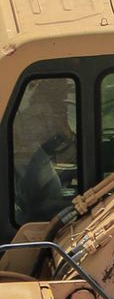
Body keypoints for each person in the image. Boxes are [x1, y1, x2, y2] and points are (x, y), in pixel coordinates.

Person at [10, 78, 77, 226]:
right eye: (63, 89)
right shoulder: (41, 112)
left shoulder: (40, 153)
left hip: (41, 184)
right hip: (38, 206)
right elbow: (65, 136)